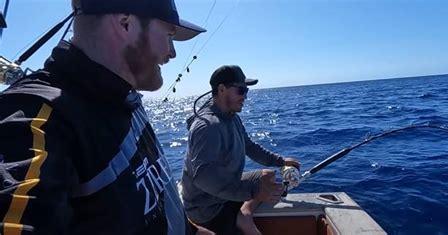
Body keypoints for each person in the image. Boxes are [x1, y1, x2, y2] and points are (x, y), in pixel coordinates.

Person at [0, 0, 213, 234]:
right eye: (169, 35)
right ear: (126, 25)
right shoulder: (37, 119)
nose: (172, 52)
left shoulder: (125, 97)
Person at [181, 65, 301, 235]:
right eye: (241, 90)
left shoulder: (232, 117)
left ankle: (244, 213)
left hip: (224, 193)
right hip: (207, 209)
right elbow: (203, 179)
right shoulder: (208, 126)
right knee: (263, 187)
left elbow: (249, 146)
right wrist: (253, 191)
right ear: (221, 89)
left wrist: (280, 161)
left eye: (246, 91)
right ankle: (240, 217)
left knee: (268, 176)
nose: (245, 96)